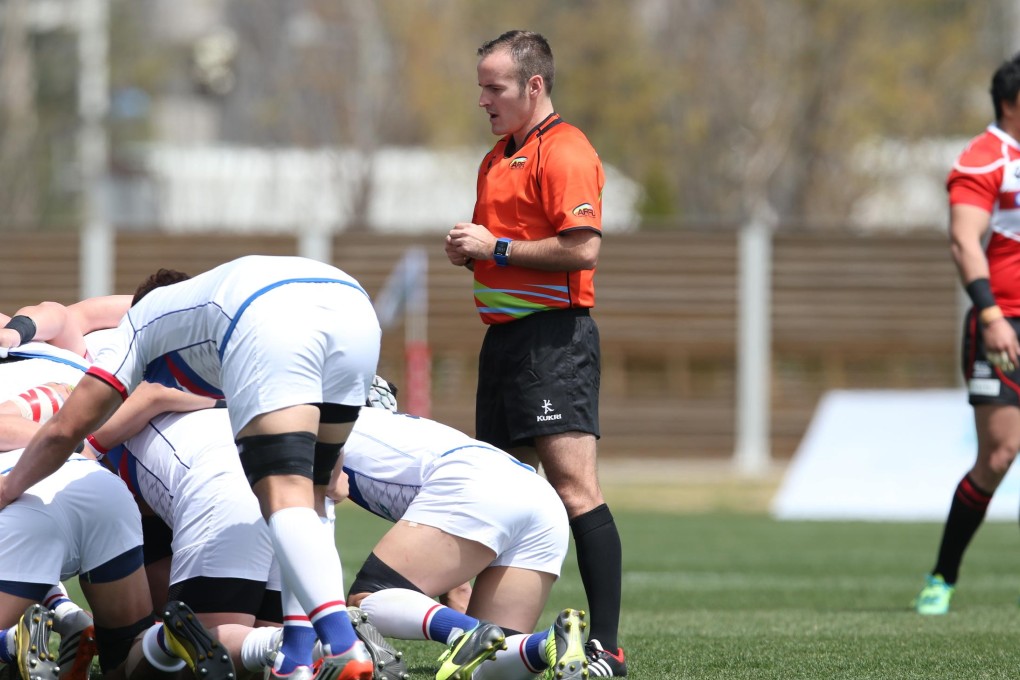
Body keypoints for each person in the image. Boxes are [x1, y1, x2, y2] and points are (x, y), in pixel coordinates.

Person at [0, 255, 383, 680]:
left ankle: (336, 639)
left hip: (253, 353)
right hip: (353, 302)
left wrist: (14, 485)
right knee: (311, 493)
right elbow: (71, 315)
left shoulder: (138, 328)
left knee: (183, 650)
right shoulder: (199, 314)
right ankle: (297, 651)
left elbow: (70, 426)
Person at [444, 30, 625, 676]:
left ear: (534, 87)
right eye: (481, 88)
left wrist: (492, 249)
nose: (484, 100)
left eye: (495, 88)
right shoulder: (497, 157)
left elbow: (582, 248)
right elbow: (505, 245)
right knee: (499, 495)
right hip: (505, 343)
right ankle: (494, 641)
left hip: (555, 340)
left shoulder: (566, 150)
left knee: (576, 489)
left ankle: (607, 646)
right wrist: (473, 252)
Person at [0, 344, 233, 680]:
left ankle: (9, 641)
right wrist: (76, 448)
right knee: (124, 657)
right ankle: (163, 644)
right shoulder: (71, 369)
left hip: (24, 493)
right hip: (100, 488)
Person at [340, 391, 586, 679]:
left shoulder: (321, 425)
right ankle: (547, 644)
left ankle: (464, 632)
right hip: (540, 495)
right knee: (492, 659)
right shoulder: (404, 432)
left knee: (365, 601)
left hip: (474, 481)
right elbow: (456, 585)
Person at [914, 52, 1020, 615]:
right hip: (1004, 323)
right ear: (1011, 101)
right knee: (1001, 454)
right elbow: (964, 239)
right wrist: (991, 314)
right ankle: (942, 575)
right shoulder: (985, 159)